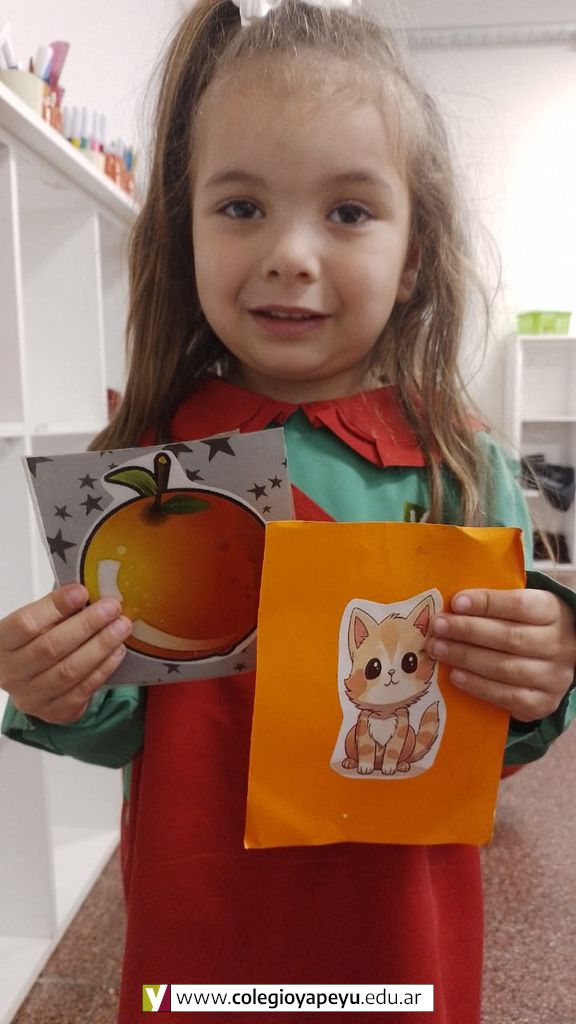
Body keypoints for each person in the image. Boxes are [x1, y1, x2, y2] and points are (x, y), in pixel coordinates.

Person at [1, 0, 576, 1020]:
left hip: (396, 935)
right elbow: (121, 723)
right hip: (203, 931)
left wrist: (542, 671)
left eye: (348, 212)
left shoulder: (461, 465)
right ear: (183, 230)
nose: (290, 253)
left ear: (413, 255)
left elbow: (497, 744)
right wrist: (60, 689)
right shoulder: (149, 467)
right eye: (241, 207)